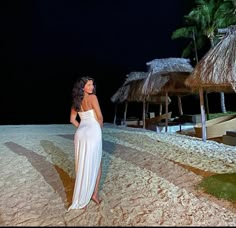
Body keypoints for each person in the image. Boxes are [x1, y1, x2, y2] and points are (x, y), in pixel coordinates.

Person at [67, 76, 103, 210]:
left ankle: (82, 197)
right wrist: (98, 131)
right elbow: (100, 117)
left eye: (92, 84)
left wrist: (82, 128)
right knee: (97, 163)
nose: (92, 87)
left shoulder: (76, 100)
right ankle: (94, 194)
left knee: (82, 165)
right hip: (93, 132)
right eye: (89, 85)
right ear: (83, 87)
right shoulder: (93, 98)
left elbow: (72, 120)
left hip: (80, 134)